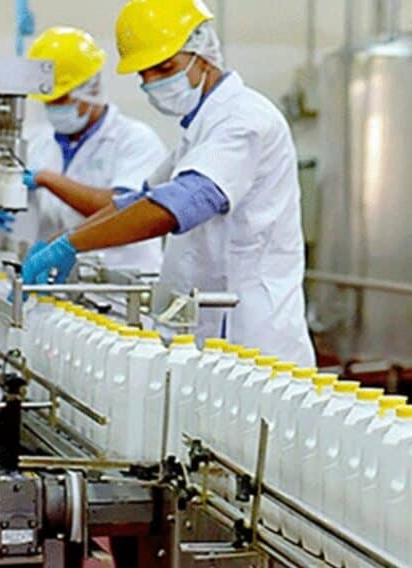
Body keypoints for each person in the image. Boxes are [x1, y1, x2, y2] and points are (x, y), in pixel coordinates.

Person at [18, 0, 315, 366]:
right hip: (205, 331)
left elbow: (177, 206)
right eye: (145, 74)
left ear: (203, 51)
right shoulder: (199, 131)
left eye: (165, 68)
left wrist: (71, 244)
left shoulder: (244, 120)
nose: (154, 83)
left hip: (251, 338)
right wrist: (60, 244)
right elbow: (134, 201)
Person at [0, 26, 165, 274]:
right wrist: (2, 209)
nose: (53, 109)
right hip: (58, 281)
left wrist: (49, 180)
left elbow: (125, 209)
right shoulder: (38, 142)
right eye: (48, 101)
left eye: (60, 100)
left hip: (121, 282)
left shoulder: (136, 141)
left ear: (91, 88)